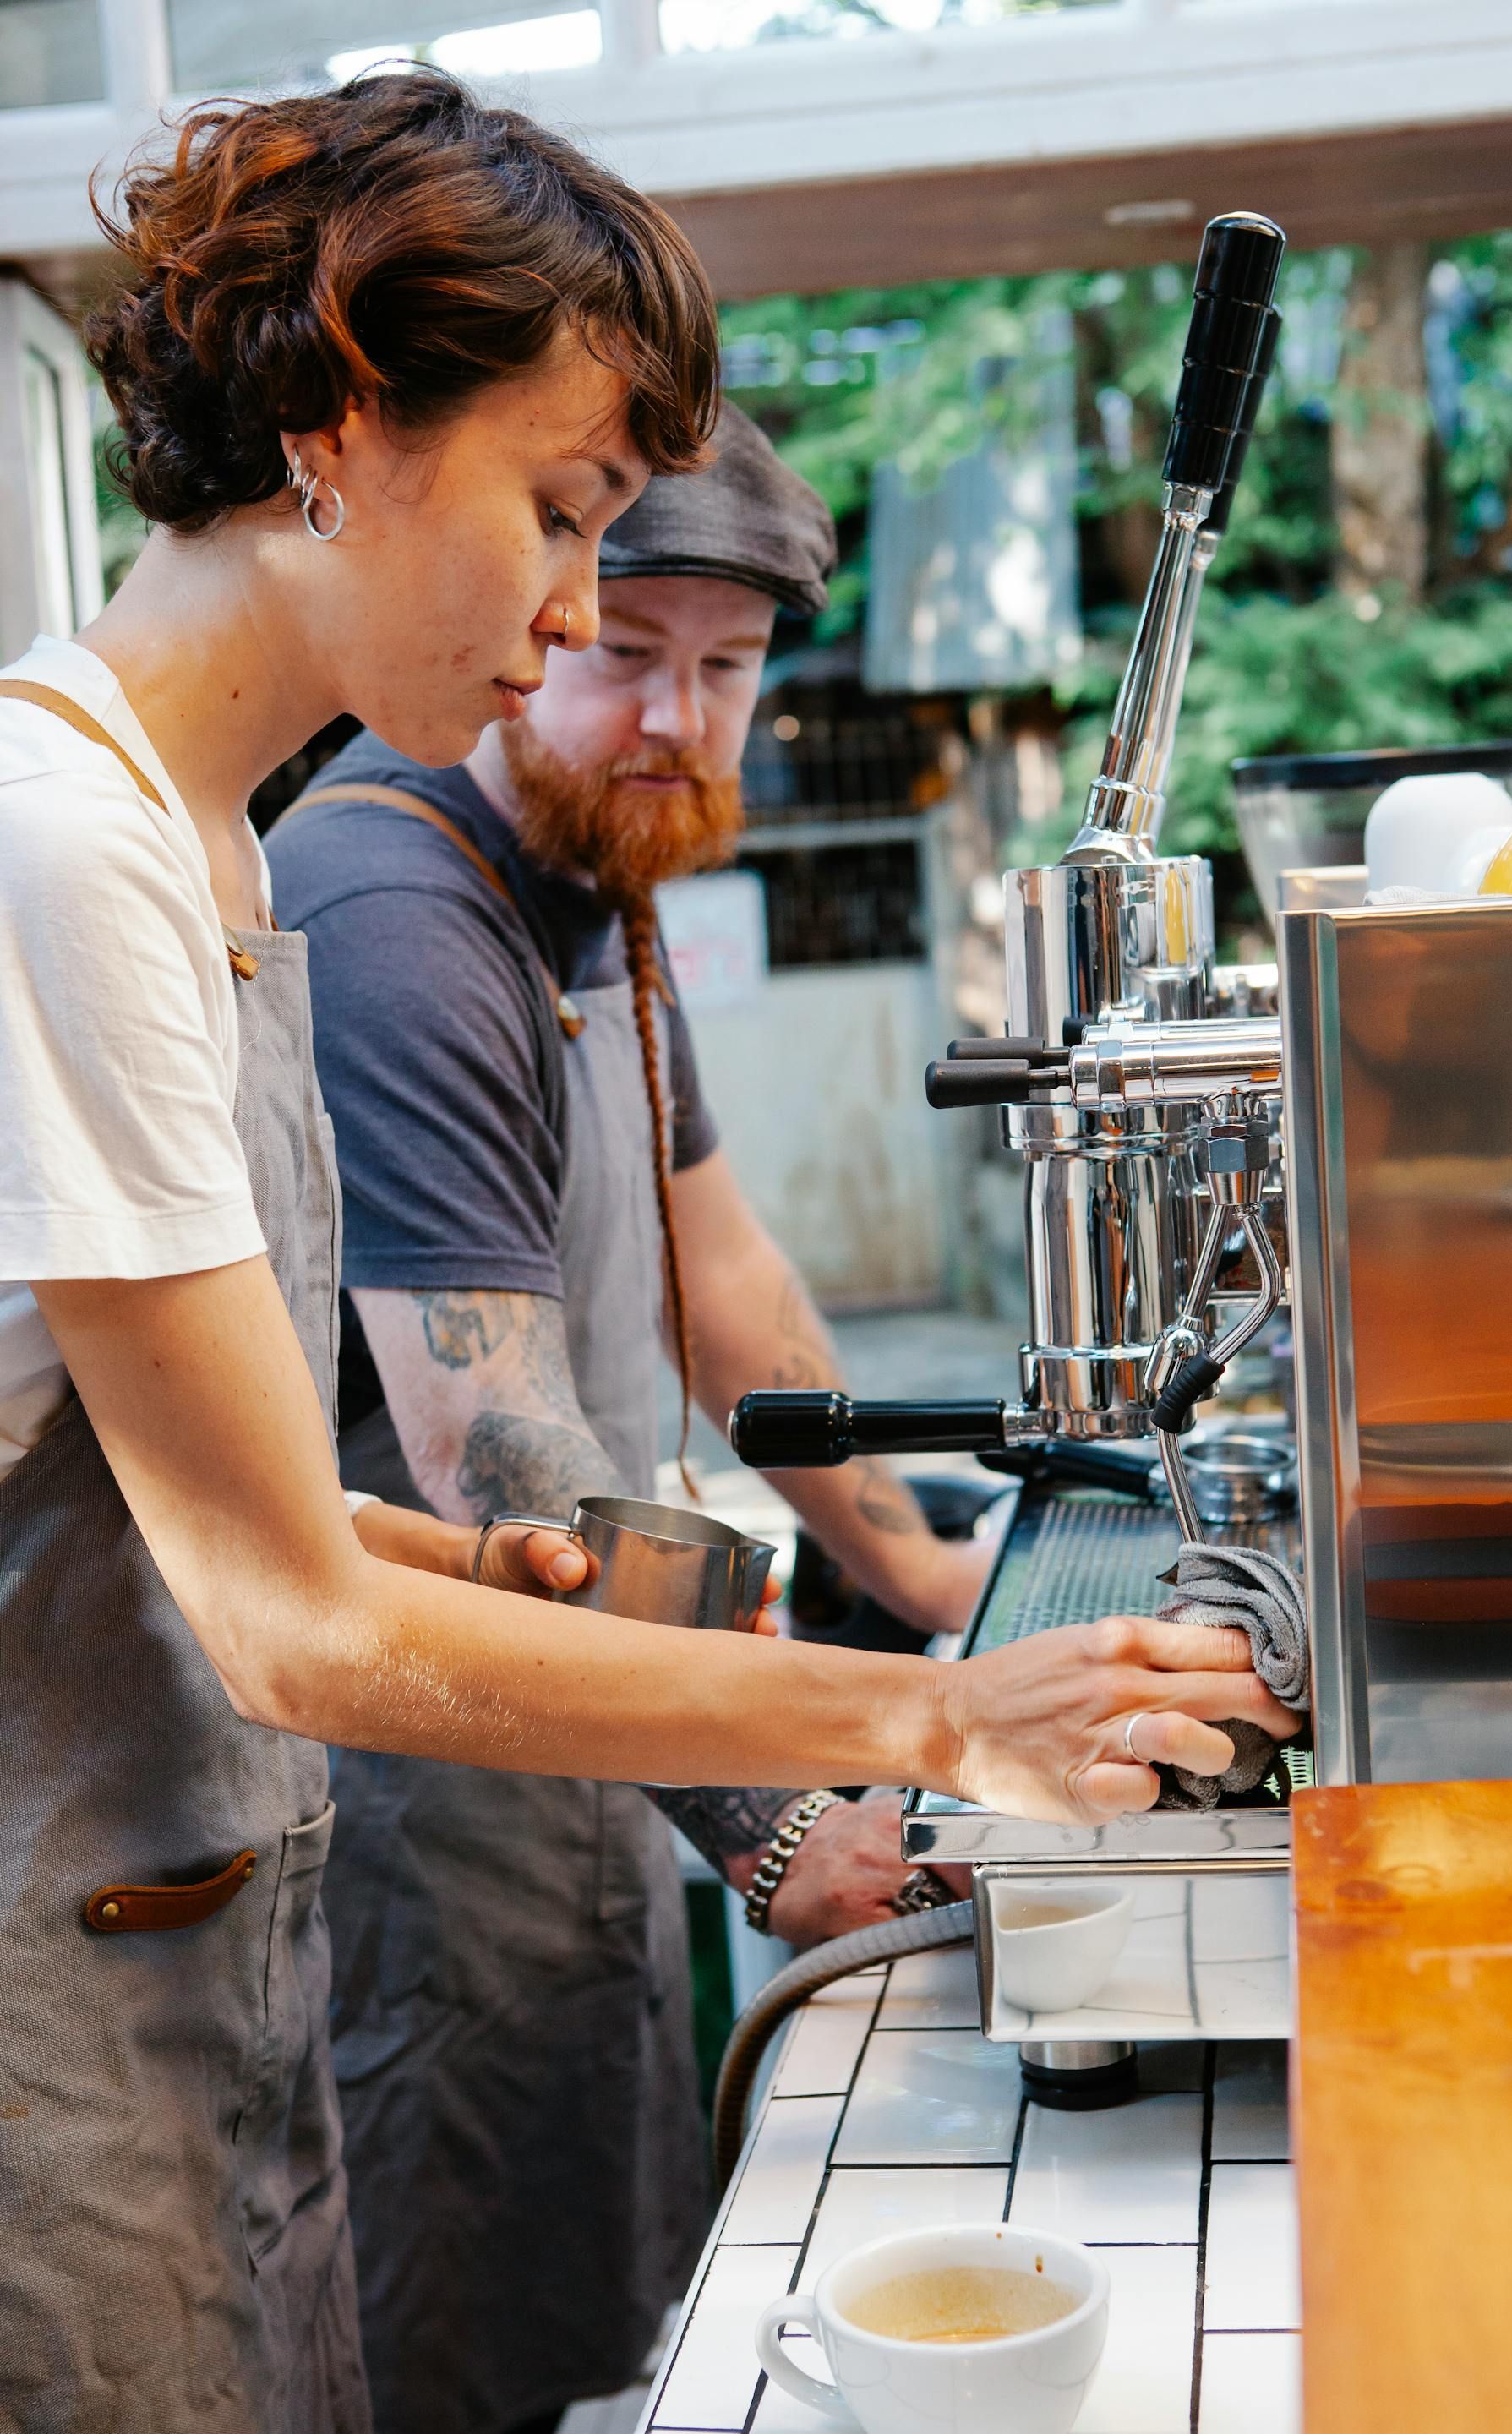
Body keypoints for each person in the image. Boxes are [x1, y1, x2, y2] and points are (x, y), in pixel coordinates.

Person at [0, 67, 1298, 2434]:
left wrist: (421, 1536)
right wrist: (924, 1714)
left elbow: (169, 1498)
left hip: (215, 1961)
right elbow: (283, 1628)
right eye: (562, 512)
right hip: (68, 2019)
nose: (590, 611)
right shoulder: (84, 851)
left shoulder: (209, 853)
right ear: (347, 411)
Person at [265, 402, 996, 2434]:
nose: (680, 714)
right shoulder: (395, 912)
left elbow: (724, 1283)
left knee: (597, 2303)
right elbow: (501, 1459)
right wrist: (771, 1819)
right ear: (531, 618)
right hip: (419, 1773)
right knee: (459, 2333)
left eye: (730, 665)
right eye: (627, 651)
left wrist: (929, 1576)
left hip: (589, 1731)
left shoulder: (601, 871)